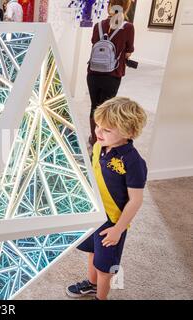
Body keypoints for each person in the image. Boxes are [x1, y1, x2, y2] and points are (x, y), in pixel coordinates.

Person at [66, 97, 147, 300]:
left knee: (106, 268)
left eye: (107, 130)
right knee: (92, 253)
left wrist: (118, 229)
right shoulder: (98, 146)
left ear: (128, 132)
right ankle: (92, 285)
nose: (98, 132)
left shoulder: (133, 162)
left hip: (112, 223)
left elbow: (136, 200)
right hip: (95, 214)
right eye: (98, 126)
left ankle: (101, 297)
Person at [86, 0, 134, 146]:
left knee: (94, 106)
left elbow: (95, 43)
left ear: (109, 6)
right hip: (112, 75)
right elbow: (128, 53)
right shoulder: (128, 27)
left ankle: (94, 140)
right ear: (125, 8)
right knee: (106, 109)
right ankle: (101, 142)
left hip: (93, 73)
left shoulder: (98, 25)